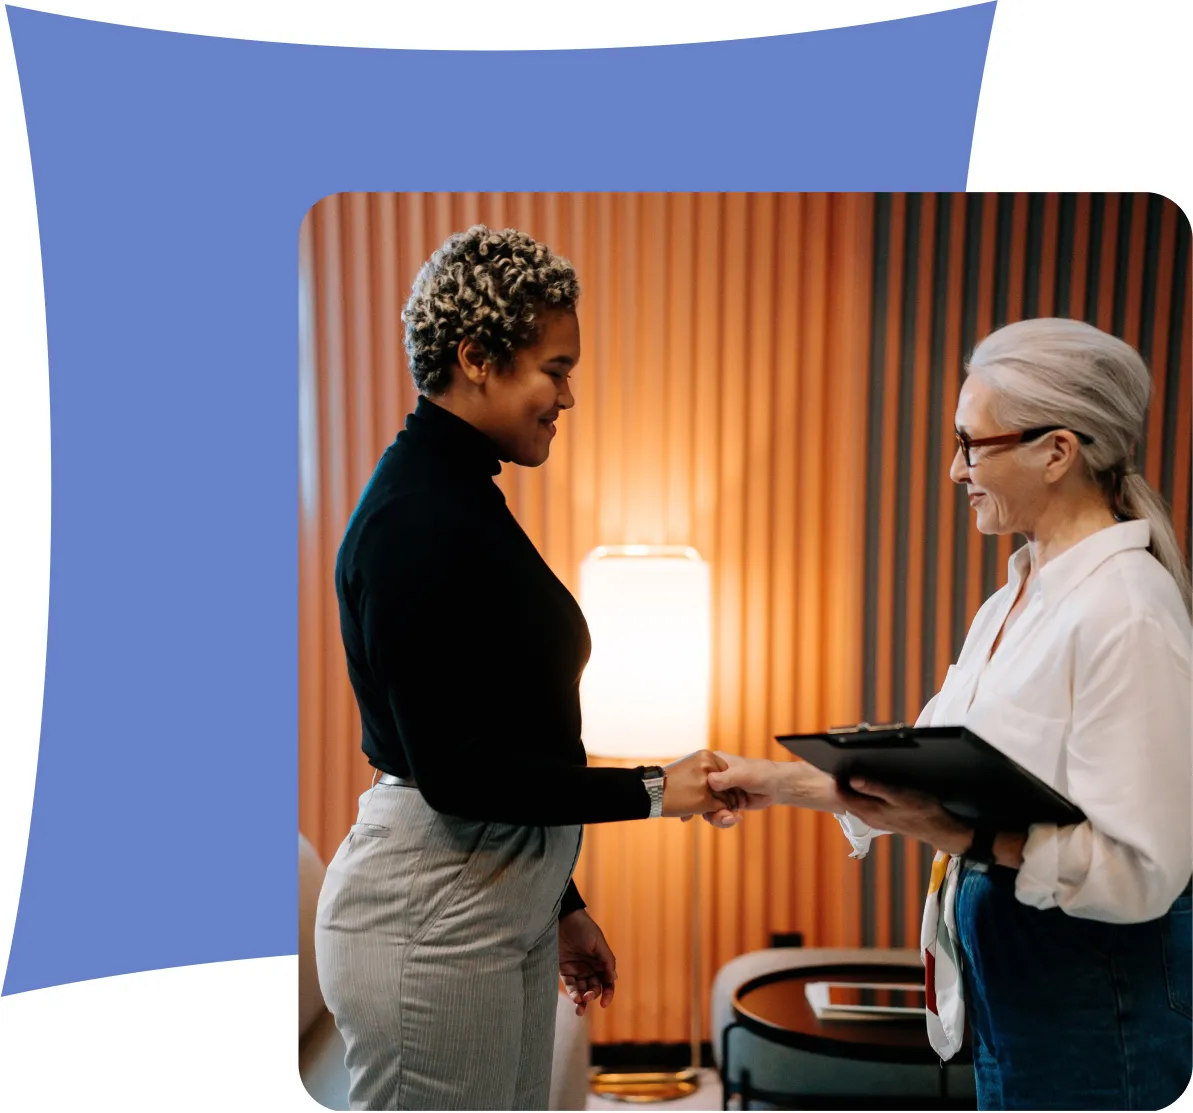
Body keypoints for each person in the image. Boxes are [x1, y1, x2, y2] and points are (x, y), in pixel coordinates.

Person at [705, 318, 1193, 1110]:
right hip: (1019, 995)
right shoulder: (1014, 598)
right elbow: (927, 774)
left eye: (971, 443)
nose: (952, 468)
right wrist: (766, 781)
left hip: (1097, 1010)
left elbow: (1140, 871)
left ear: (1056, 451)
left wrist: (964, 837)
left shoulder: (1125, 611)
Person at [312, 225, 737, 1112]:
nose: (568, 395)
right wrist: (657, 789)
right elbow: (459, 771)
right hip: (429, 911)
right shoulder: (411, 521)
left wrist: (560, 898)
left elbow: (512, 728)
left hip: (494, 889)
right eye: (555, 367)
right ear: (476, 357)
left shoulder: (463, 496)